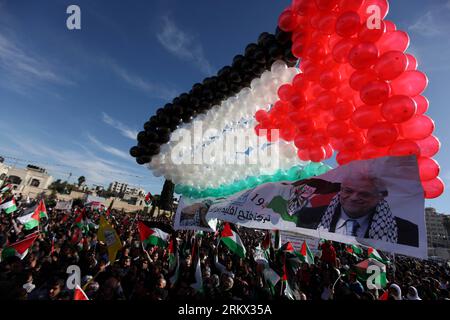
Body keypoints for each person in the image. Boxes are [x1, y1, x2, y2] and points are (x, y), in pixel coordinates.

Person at [293, 171, 419, 247]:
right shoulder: (308, 216)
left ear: (381, 197)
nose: (353, 198)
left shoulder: (406, 231)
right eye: (348, 191)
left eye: (364, 194)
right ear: (341, 189)